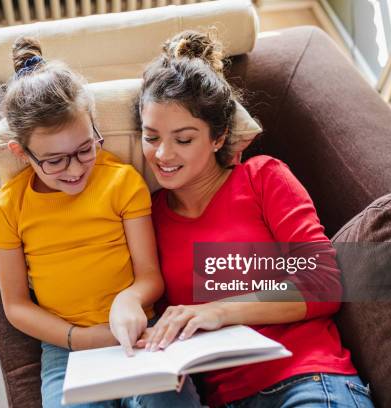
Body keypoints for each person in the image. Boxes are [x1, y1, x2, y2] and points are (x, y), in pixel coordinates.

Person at [134, 30, 375, 408]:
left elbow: (324, 285)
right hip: (222, 399)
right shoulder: (144, 216)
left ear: (218, 137)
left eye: (183, 139)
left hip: (307, 378)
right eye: (151, 137)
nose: (163, 154)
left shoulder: (262, 177)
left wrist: (218, 310)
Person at [0, 36, 202, 408]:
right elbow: (16, 306)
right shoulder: (8, 207)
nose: (74, 170)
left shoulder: (121, 182)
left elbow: (149, 276)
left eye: (85, 148)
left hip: (139, 330)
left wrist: (129, 303)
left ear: (94, 130)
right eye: (54, 160)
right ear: (21, 153)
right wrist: (78, 339)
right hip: (65, 348)